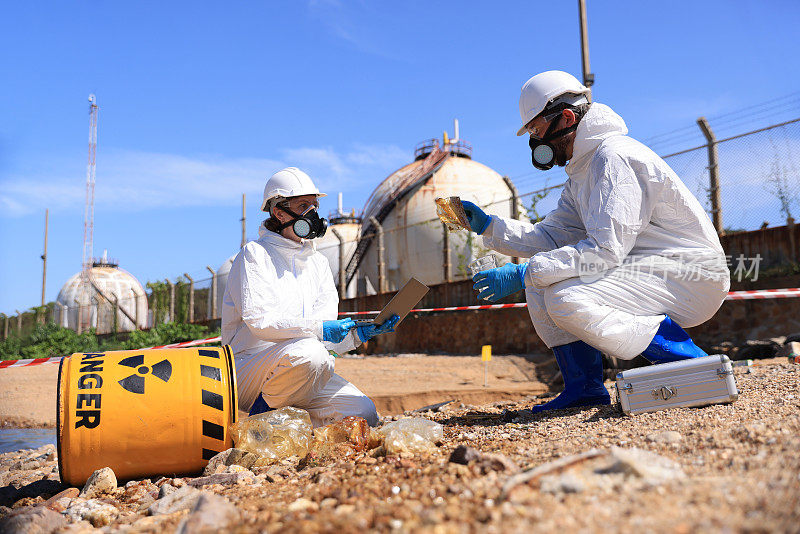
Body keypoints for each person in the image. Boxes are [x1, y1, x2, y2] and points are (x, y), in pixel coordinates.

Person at [461, 71, 730, 413]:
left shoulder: (614, 158)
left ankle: (691, 363)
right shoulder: (583, 170)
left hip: (690, 275)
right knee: (540, 283)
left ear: (567, 118)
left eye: (536, 132)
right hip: (649, 270)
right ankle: (584, 387)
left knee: (561, 293)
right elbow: (551, 237)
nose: (534, 143)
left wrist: (524, 272)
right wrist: (489, 226)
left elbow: (604, 250)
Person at [222, 167, 399, 427]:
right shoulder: (255, 255)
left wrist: (357, 336)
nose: (313, 214)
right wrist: (320, 329)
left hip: (305, 369)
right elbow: (260, 322)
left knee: (363, 412)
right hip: (248, 370)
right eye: (303, 205)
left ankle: (290, 425)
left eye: (314, 206)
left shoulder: (318, 263)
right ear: (279, 212)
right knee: (309, 353)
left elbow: (323, 342)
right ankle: (256, 422)